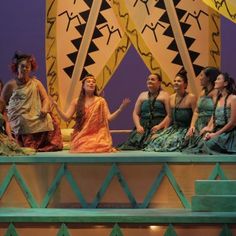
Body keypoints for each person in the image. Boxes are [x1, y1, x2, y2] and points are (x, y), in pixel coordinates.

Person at [1, 52, 63, 152]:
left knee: (51, 119)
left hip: (34, 113)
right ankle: (27, 145)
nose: (25, 69)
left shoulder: (36, 83)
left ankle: (44, 146)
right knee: (23, 120)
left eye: (28, 67)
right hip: (19, 115)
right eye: (22, 66)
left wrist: (44, 108)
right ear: (17, 67)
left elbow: (45, 98)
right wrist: (5, 118)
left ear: (31, 68)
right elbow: (2, 103)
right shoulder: (10, 85)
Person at [52, 74, 130, 153]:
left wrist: (120, 109)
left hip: (98, 135)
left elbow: (109, 118)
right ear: (83, 86)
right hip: (82, 135)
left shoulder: (100, 101)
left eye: (93, 82)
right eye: (88, 82)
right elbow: (66, 118)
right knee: (80, 146)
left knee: (101, 145)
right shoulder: (76, 101)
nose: (91, 83)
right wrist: (57, 107)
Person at [144, 69, 197, 152]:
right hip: (174, 128)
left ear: (185, 84)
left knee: (169, 143)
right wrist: (163, 129)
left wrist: (192, 127)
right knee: (155, 140)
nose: (176, 83)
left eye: (179, 81)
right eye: (175, 81)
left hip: (185, 129)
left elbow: (196, 113)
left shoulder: (191, 97)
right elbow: (170, 116)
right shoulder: (171, 98)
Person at [118, 73, 170, 150]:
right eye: (148, 79)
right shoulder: (142, 95)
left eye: (152, 79)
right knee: (130, 146)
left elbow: (170, 115)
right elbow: (135, 113)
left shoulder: (165, 95)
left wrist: (159, 126)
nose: (149, 81)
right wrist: (138, 126)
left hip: (158, 128)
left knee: (154, 145)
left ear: (159, 83)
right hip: (142, 128)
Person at [191, 72, 236, 154]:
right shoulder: (219, 99)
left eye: (218, 79)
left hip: (229, 134)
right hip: (218, 131)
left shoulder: (233, 98)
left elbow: (232, 123)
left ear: (225, 83)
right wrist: (209, 129)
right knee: (199, 142)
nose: (215, 81)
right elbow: (215, 116)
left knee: (207, 145)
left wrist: (215, 134)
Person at [181, 67, 220, 150]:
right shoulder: (202, 92)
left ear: (209, 78)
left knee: (204, 145)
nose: (200, 78)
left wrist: (209, 127)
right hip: (199, 124)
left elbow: (216, 111)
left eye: (202, 75)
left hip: (211, 124)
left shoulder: (216, 92)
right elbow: (196, 111)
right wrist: (192, 126)